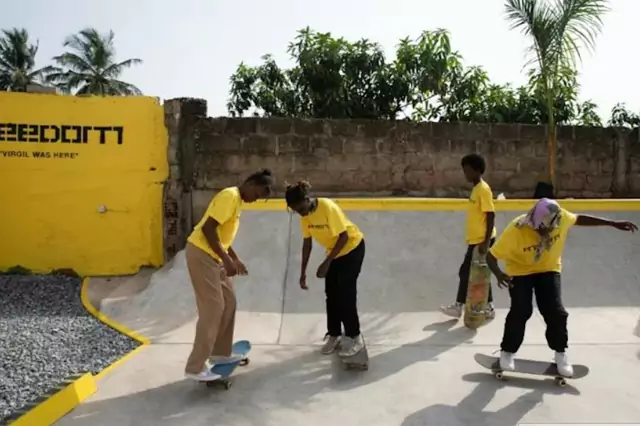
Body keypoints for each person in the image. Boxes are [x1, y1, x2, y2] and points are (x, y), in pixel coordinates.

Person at [487, 198, 637, 376]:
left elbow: (580, 219)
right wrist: (498, 274)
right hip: (520, 271)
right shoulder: (516, 230)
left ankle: (560, 354)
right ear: (536, 222)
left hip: (549, 268)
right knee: (521, 310)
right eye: (544, 228)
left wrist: (612, 223)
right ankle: (507, 352)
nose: (549, 231)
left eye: (552, 228)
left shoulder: (561, 217)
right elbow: (491, 256)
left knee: (555, 312)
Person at [183, 169, 274, 381]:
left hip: (214, 256)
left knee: (229, 302)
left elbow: (222, 235)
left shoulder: (237, 201)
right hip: (201, 255)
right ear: (250, 183)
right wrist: (226, 259)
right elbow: (208, 229)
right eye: (257, 194)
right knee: (213, 307)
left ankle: (219, 353)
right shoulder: (229, 196)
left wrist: (234, 258)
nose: (255, 200)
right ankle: (195, 367)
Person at [285, 181, 366, 357]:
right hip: (335, 253)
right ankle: (335, 334)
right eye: (297, 211)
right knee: (332, 294)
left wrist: (327, 262)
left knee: (345, 293)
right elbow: (307, 243)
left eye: (301, 208)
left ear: (307, 199)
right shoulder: (304, 217)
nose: (301, 213)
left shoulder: (327, 207)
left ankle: (355, 337)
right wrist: (303, 272)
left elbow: (343, 236)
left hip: (352, 248)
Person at [441, 153, 497, 320]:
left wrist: (486, 242)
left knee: (466, 272)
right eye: (464, 170)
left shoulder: (483, 189)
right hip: (476, 240)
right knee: (480, 273)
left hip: (482, 240)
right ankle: (488, 307)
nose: (465, 174)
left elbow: (490, 215)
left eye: (468, 170)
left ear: (478, 170)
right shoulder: (476, 189)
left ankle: (459, 306)